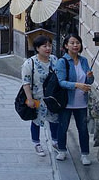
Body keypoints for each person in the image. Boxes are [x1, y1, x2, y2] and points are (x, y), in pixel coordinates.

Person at [55, 33, 94, 166]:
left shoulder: (84, 61)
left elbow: (89, 81)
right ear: (66, 46)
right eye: (72, 43)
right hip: (66, 101)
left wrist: (90, 77)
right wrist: (77, 85)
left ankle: (84, 154)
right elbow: (61, 82)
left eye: (77, 42)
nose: (75, 45)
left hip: (81, 102)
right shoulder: (62, 62)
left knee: (83, 129)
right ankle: (61, 150)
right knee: (63, 126)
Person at [21, 35, 59, 157]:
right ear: (37, 48)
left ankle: (55, 141)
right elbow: (26, 82)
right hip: (37, 97)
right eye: (44, 46)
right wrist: (29, 99)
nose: (48, 48)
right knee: (36, 120)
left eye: (50, 45)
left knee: (54, 119)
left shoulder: (54, 60)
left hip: (52, 97)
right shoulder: (29, 63)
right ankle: (36, 143)